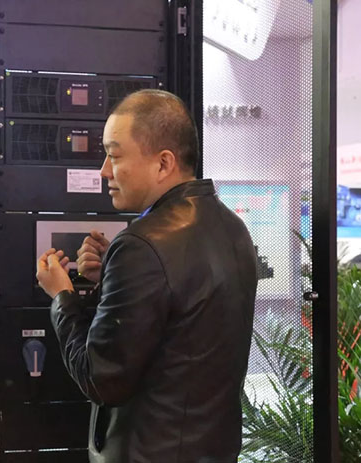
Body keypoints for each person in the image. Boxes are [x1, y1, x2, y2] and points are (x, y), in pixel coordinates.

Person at [36, 89, 258, 462]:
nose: (104, 171)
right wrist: (112, 275)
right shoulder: (233, 228)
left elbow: (100, 379)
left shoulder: (141, 245)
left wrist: (62, 297)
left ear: (163, 163)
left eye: (114, 155)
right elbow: (183, 327)